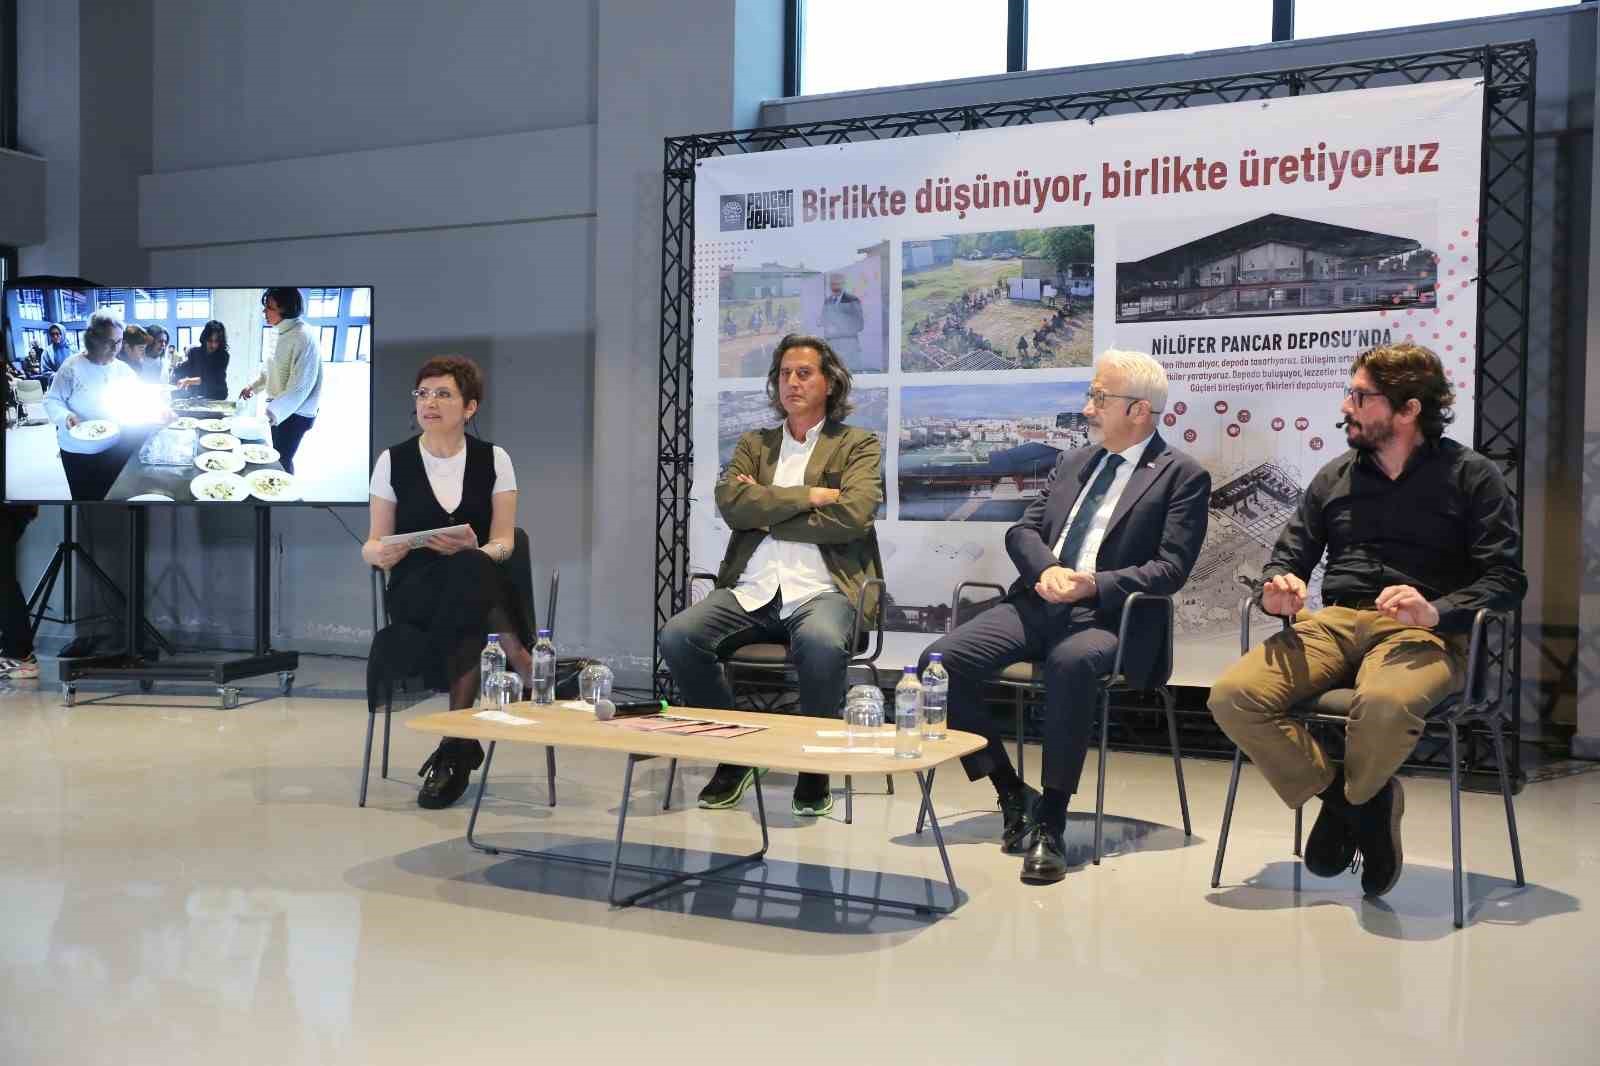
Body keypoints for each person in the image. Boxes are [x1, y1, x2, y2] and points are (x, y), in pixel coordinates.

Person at [1208, 341, 1526, 898]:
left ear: (1409, 409)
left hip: (1421, 633)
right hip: (1334, 622)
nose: (1346, 407)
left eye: (1361, 397)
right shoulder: (1334, 476)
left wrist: (1437, 610)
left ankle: (1350, 805)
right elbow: (1289, 558)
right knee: (1233, 696)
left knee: (1383, 704)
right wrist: (1278, 588)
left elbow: (1506, 579)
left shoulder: (1471, 476)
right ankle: (1355, 804)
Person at [917, 349, 1210, 884]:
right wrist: (1048, 570)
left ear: (1138, 410)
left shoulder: (1181, 475)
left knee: (1070, 664)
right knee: (939, 661)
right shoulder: (1074, 462)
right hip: (1040, 602)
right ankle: (1011, 791)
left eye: (1099, 397)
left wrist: (1093, 584)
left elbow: (1170, 568)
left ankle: (1051, 819)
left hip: (1110, 619)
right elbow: (1023, 531)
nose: (1088, 408)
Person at [658, 333, 884, 818]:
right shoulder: (755, 444)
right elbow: (732, 506)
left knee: (821, 643)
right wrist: (812, 496)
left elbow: (854, 516)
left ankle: (813, 765)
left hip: (824, 591)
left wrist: (766, 511)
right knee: (678, 636)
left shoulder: (856, 444)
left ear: (829, 383)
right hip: (752, 590)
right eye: (784, 374)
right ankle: (736, 754)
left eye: (804, 373)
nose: (792, 383)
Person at [362, 355, 527, 809]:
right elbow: (372, 543)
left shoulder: (494, 459)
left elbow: (505, 543)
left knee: (470, 569)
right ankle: (518, 656)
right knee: (471, 590)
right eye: (423, 394)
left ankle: (455, 747)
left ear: (470, 407)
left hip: (471, 589)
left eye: (443, 394)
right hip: (415, 592)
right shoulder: (392, 460)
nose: (429, 403)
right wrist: (381, 552)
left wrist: (476, 550)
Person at [44, 311, 141, 501]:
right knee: (86, 500)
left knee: (112, 496)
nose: (115, 348)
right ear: (92, 340)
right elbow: (52, 400)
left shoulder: (123, 369)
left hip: (113, 446)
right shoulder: (72, 367)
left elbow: (140, 398)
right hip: (78, 450)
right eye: (109, 342)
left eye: (119, 341)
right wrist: (65, 416)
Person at [240, 287, 322, 473]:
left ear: (286, 308)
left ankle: (285, 490)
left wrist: (270, 413)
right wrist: (252, 387)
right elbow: (270, 370)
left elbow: (300, 388)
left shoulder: (304, 336)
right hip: (281, 408)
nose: (264, 312)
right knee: (278, 454)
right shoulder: (279, 331)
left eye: (269, 307)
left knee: (282, 459)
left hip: (298, 413)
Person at [0, 503, 40, 680]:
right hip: (12, 506)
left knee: (3, 579)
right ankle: (18, 653)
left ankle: (18, 655)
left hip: (9, 505)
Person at [171, 320, 231, 400]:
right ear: (204, 338)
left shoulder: (223, 356)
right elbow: (184, 369)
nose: (213, 345)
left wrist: (189, 380)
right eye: (210, 340)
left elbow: (211, 378)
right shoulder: (194, 352)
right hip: (196, 396)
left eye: (216, 341)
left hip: (217, 397)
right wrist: (175, 373)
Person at [819, 273, 865, 370]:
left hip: (848, 347)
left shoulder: (852, 300)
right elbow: (823, 321)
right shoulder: (827, 301)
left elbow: (859, 325)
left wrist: (839, 327)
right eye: (832, 284)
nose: (835, 287)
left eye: (837, 284)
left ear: (843, 284)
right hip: (832, 347)